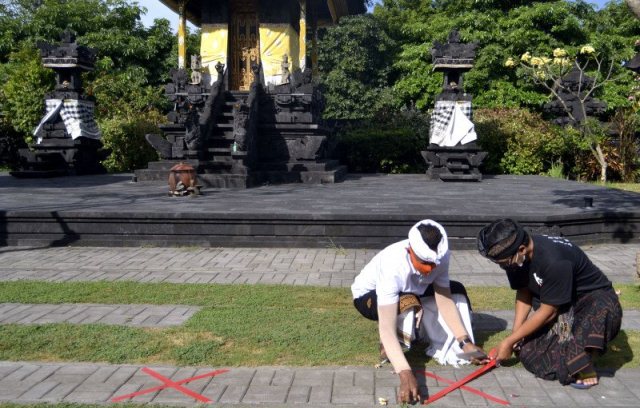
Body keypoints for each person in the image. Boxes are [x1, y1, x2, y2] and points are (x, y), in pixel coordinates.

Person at [476, 218, 622, 389]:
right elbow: (524, 291)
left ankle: (585, 362)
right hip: (563, 306)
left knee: (597, 311)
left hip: (592, 305)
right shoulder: (515, 260)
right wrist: (514, 337)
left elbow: (548, 312)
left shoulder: (555, 261)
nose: (502, 267)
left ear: (521, 250)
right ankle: (575, 353)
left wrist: (507, 342)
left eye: (503, 263)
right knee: (527, 353)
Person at [351, 219, 485, 404]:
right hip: (368, 298)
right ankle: (393, 348)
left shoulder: (442, 255)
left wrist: (465, 343)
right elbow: (387, 327)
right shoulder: (393, 265)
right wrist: (406, 374)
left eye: (434, 263)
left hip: (413, 291)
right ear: (410, 251)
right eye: (425, 263)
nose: (431, 269)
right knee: (407, 301)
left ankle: (438, 341)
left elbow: (444, 300)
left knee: (457, 290)